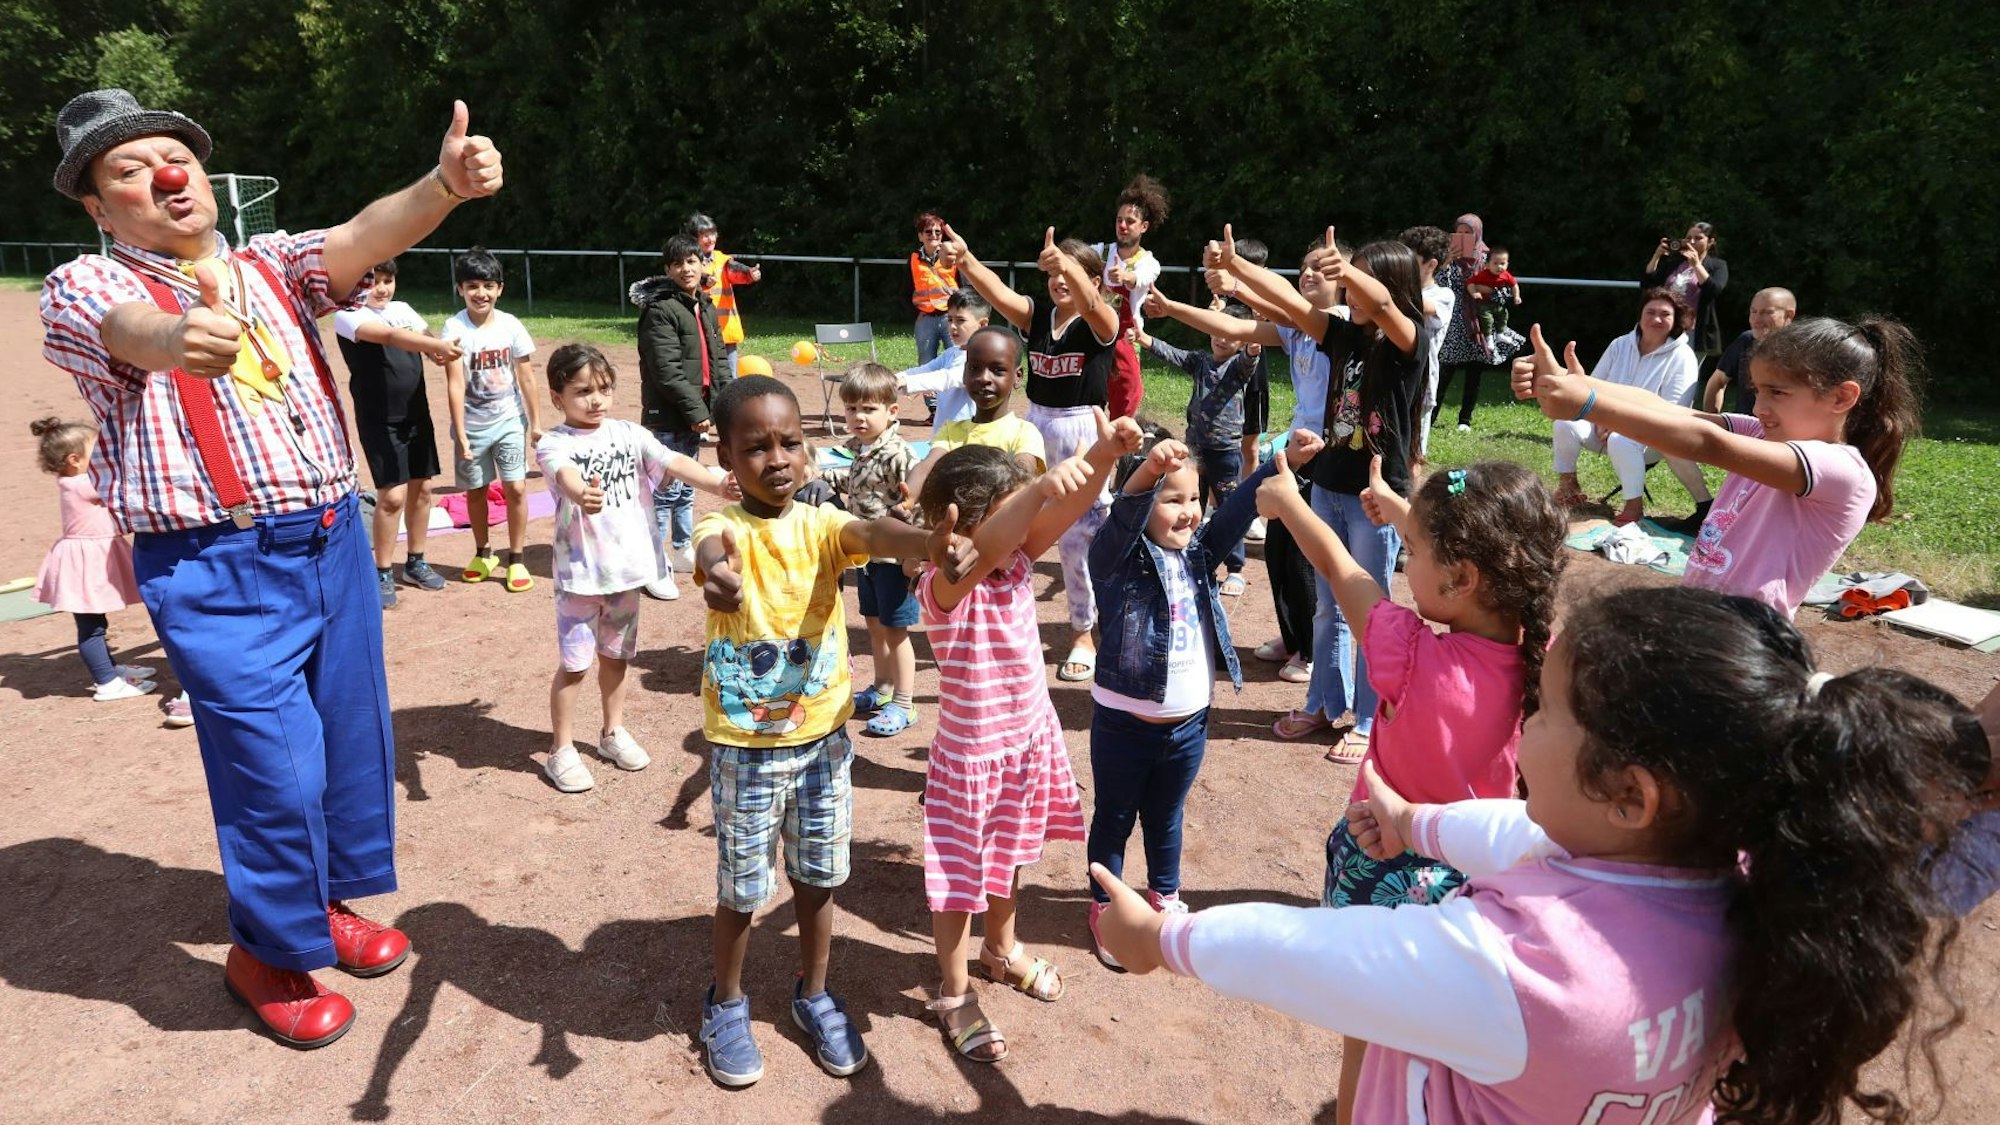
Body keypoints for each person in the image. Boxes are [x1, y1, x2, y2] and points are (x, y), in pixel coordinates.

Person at [1093, 584, 1974, 1125]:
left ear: (1630, 792)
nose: (1528, 725)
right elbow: (1523, 834)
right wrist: (1417, 825)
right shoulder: (1749, 884)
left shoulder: (1525, 967)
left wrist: (1164, 939)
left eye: (1546, 710)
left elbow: (1311, 952)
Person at [40, 87, 503, 1047]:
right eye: (127, 169)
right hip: (214, 557)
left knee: (346, 748)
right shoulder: (81, 284)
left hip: (332, 538)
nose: (166, 176)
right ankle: (264, 952)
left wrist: (442, 188)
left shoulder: (270, 263)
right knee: (272, 770)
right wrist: (177, 339)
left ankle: (321, 906)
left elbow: (362, 235)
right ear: (94, 204)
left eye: (175, 156)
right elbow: (129, 329)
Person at [1258, 452, 1565, 1123]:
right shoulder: (1553, 660)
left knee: (1367, 1037)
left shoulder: (1411, 653)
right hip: (1480, 890)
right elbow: (1455, 574)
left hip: (1380, 871)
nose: (1404, 558)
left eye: (1413, 550)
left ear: (1461, 577)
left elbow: (1342, 569)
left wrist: (1288, 500)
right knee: (1436, 1040)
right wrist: (1406, 514)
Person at [690, 374, 970, 1088]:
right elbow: (710, 551)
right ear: (726, 454)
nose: (778, 458)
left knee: (818, 880)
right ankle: (724, 1002)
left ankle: (814, 993)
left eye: (790, 442)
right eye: (756, 447)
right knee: (744, 889)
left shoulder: (820, 522)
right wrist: (717, 574)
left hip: (822, 744)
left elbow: (871, 532)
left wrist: (927, 542)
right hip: (747, 747)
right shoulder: (725, 526)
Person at [914, 412, 1140, 1062]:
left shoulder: (1013, 562)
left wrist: (1102, 451)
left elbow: (1060, 511)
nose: (1022, 519)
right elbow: (1001, 533)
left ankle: (1001, 947)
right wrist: (1035, 490)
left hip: (1024, 742)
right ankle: (954, 992)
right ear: (955, 521)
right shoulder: (943, 584)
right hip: (970, 757)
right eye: (1008, 503)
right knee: (957, 881)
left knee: (1011, 853)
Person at [1085, 429, 1319, 969]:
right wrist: (1146, 474)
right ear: (1143, 502)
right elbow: (1122, 518)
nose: (1190, 511)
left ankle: (1164, 896)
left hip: (1188, 724)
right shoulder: (1117, 558)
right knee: (1116, 816)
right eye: (1173, 499)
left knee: (1167, 816)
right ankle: (1107, 905)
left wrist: (1276, 467)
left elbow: (1234, 514)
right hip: (1124, 723)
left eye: (1194, 498)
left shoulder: (1196, 553)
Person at [1515, 314, 1922, 620]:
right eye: (1758, 391)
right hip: (1705, 618)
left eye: (1778, 393)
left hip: (1745, 637)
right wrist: (1577, 384)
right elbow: (1664, 410)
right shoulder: (1764, 434)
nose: (1760, 407)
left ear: (1841, 398)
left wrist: (1586, 405)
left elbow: (1709, 443)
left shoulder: (1840, 469)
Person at [1211, 227, 1426, 760]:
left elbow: (1378, 301)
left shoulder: (1407, 340)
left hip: (1376, 493)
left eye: (1358, 280)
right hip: (1328, 483)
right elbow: (1288, 301)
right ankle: (1326, 704)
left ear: (1391, 286)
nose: (1346, 290)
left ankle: (1372, 718)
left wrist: (1347, 270)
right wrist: (1239, 268)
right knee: (1328, 608)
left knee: (1368, 607)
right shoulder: (1342, 333)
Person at [534, 344, 733, 793]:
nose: (595, 400)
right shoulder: (554, 443)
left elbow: (676, 462)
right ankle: (561, 749)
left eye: (603, 389)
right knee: (574, 665)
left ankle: (612, 732)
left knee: (617, 658)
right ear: (557, 397)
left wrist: (721, 483)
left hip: (626, 575)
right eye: (582, 391)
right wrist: (580, 490)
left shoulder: (629, 433)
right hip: (580, 578)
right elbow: (563, 474)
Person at [943, 224, 1119, 682]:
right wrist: (965, 258)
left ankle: (1084, 632)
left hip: (1081, 428)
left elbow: (1096, 305)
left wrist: (1069, 267)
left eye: (1074, 272)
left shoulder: (1102, 322)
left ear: (1094, 280)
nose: (1060, 279)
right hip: (1035, 424)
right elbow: (999, 294)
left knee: (1080, 541)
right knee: (1009, 520)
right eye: (1055, 271)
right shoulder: (1040, 316)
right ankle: (994, 620)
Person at [1178, 237, 1325, 685]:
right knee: (1279, 546)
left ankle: (1311, 650)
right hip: (1297, 448)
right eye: (1304, 266)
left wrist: (1236, 277)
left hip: (1324, 451)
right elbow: (1242, 330)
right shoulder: (1295, 329)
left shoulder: (1334, 322)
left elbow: (1286, 310)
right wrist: (1168, 309)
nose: (1308, 274)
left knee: (1301, 553)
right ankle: (1293, 636)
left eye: (1320, 269)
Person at [332, 257, 461, 608]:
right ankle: (382, 570)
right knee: (391, 497)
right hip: (379, 418)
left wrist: (443, 348)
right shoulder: (349, 314)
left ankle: (416, 561)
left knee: (423, 489)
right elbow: (390, 336)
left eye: (388, 280)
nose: (382, 288)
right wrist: (432, 346)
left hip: (416, 414)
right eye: (373, 281)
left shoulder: (403, 308)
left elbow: (426, 338)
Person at [1546, 288, 1713, 527]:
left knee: (1621, 439)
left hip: (1654, 438)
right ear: (1640, 315)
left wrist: (1619, 424)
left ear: (1676, 320)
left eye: (1665, 314)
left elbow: (1674, 411)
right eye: (1650, 312)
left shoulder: (1683, 356)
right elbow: (1591, 388)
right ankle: (1569, 487)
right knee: (1565, 422)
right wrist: (1601, 419)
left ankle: (1634, 507)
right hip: (1603, 428)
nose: (1656, 319)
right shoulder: (1619, 345)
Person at [1130, 302, 1263, 595]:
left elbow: (1250, 360)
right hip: (1196, 447)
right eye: (1216, 329)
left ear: (1241, 341)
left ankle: (1236, 569)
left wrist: (1254, 346)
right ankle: (1196, 559)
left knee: (1229, 508)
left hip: (1226, 452)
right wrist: (1143, 339)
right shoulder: (1200, 361)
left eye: (1230, 334)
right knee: (1194, 505)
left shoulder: (1238, 366)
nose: (1222, 337)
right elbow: (1172, 354)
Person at [818, 364, 922, 737]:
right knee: (875, 627)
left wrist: (915, 554)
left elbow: (919, 502)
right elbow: (859, 483)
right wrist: (821, 476)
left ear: (892, 411)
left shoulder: (898, 454)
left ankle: (905, 704)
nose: (858, 417)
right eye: (851, 409)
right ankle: (881, 689)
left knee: (897, 632)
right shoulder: (862, 449)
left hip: (894, 560)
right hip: (866, 558)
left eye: (868, 409)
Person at [29, 416, 156, 702]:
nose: (104, 455)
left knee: (96, 623)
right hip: (84, 565)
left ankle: (109, 669)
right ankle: (107, 682)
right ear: (75, 459)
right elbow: (122, 482)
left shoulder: (76, 480)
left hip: (88, 561)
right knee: (92, 628)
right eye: (97, 451)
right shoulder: (81, 483)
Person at [632, 232, 728, 600]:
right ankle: (653, 564)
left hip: (696, 413)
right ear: (667, 269)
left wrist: (722, 404)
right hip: (668, 416)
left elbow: (718, 358)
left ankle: (682, 548)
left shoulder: (703, 303)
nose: (686, 268)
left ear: (702, 263)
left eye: (691, 261)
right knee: (662, 492)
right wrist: (697, 411)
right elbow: (666, 369)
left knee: (687, 487)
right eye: (677, 263)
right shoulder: (660, 309)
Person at [442, 247, 541, 592]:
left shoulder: (511, 325)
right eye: (472, 286)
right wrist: (462, 434)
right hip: (471, 425)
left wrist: (536, 422)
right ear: (460, 289)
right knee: (475, 491)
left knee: (515, 487)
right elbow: (454, 382)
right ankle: (483, 552)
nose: (480, 293)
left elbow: (526, 377)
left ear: (499, 288)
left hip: (510, 420)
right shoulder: (454, 328)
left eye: (488, 285)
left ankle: (516, 558)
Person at [904, 326, 1048, 499]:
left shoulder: (1024, 433)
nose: (984, 378)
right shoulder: (951, 431)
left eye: (997, 370)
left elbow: (1023, 477)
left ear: (1017, 376)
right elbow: (925, 468)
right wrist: (907, 500)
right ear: (965, 373)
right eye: (975, 368)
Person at [1095, 174, 1168, 420]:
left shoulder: (1148, 262)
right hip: (1093, 337)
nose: (1123, 225)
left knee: (1125, 404)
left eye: (1130, 221)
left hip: (1125, 341)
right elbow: (1074, 259)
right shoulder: (1099, 252)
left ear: (1143, 227)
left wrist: (1127, 277)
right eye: (1119, 220)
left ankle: (1122, 454)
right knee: (1086, 401)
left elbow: (1143, 278)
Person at [1397, 225, 1454, 464]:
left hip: (1421, 385)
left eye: (1410, 260)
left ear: (1431, 265)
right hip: (1391, 378)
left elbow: (1423, 306)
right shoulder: (1395, 291)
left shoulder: (1443, 295)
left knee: (1413, 455)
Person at [1433, 214, 1495, 432]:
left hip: (1478, 323)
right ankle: (1431, 415)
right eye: (1459, 232)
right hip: (1453, 323)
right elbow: (1441, 286)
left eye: (1468, 233)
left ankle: (1465, 420)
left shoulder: (1487, 259)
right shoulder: (1446, 261)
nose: (1463, 236)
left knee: (1474, 374)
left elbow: (1498, 291)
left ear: (1477, 233)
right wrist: (1447, 261)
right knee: (1443, 372)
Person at [894, 288, 989, 427]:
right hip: (942, 437)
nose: (952, 326)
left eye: (960, 320)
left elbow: (948, 378)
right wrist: (889, 380)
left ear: (982, 324)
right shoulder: (951, 353)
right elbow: (924, 370)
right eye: (950, 319)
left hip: (967, 439)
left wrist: (907, 382)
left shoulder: (982, 358)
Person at [1642, 222, 1729, 368]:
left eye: (1698, 238)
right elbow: (1647, 284)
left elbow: (1713, 291)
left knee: (1685, 372)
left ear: (1711, 241)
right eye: (1689, 238)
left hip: (1694, 330)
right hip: (1666, 325)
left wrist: (1696, 264)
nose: (1692, 242)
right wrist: (1656, 256)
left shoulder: (1718, 265)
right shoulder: (1675, 264)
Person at [686, 212, 761, 380]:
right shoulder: (689, 262)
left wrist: (750, 273)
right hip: (702, 330)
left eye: (712, 234)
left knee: (730, 377)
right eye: (704, 236)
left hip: (725, 330)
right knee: (705, 376)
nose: (710, 239)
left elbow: (735, 270)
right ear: (694, 239)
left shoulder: (723, 259)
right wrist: (704, 281)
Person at [1702, 287, 1798, 416]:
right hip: (1743, 429)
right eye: (1753, 312)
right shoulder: (1745, 341)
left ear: (1788, 315)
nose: (1757, 319)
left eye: (1766, 312)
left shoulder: (1802, 350)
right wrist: (1712, 420)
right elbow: (1718, 380)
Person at [909, 211, 959, 366]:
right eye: (928, 231)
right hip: (926, 318)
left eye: (937, 232)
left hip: (950, 316)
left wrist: (960, 313)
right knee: (925, 362)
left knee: (957, 359)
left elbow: (965, 288)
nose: (933, 235)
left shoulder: (951, 256)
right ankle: (928, 391)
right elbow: (906, 289)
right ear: (920, 236)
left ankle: (954, 391)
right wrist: (915, 313)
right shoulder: (913, 259)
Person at [1465, 244, 1523, 362]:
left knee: (1504, 315)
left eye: (1502, 263)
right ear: (1487, 264)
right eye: (1495, 263)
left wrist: (1516, 296)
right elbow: (1470, 283)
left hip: (1498, 304)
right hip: (1485, 303)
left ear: (1507, 264)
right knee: (1487, 319)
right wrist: (1474, 293)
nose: (1499, 267)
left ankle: (1500, 334)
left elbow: (1514, 285)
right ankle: (1489, 338)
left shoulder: (1506, 275)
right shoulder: (1483, 274)